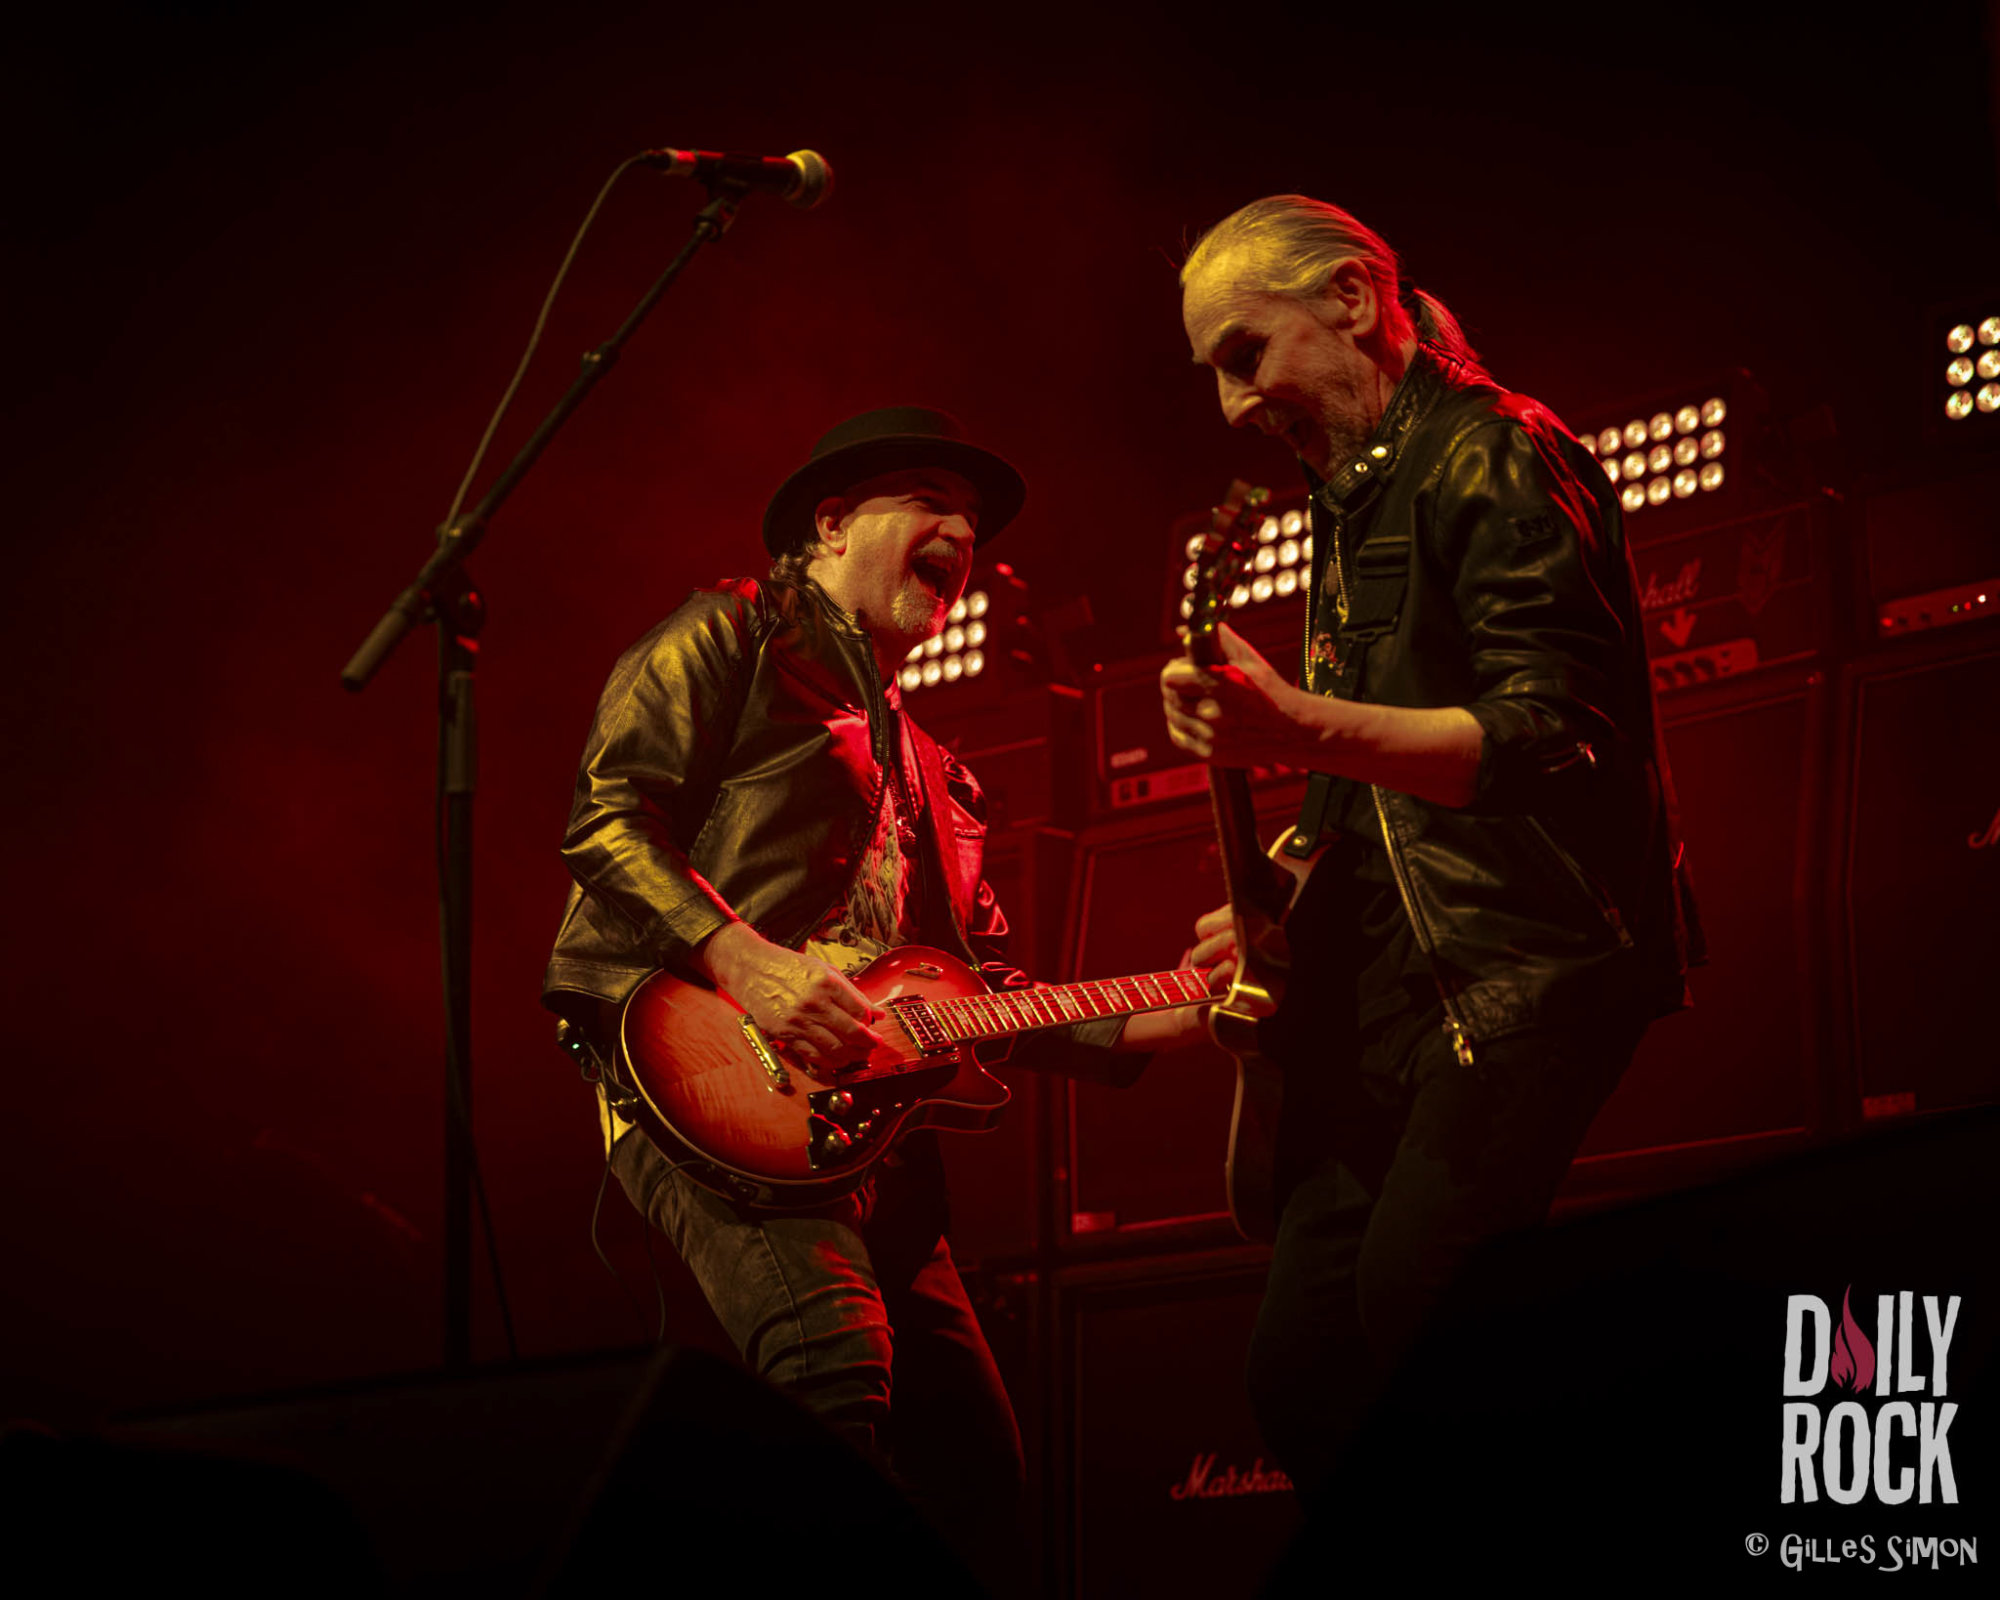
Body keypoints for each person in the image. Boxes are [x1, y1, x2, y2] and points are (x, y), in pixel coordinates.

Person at [540, 405, 1166, 1589]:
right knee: (830, 1367)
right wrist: (747, 963)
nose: (960, 535)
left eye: (971, 523)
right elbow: (607, 820)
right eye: (930, 500)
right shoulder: (729, 634)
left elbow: (994, 993)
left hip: (871, 1129)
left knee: (974, 1464)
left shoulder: (940, 772)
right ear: (830, 524)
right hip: (709, 1074)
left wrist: (1191, 1007)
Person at [1158, 196, 1702, 1506]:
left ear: (1351, 299)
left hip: (1525, 967)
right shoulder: (1349, 489)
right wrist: (1285, 887)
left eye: (1245, 354)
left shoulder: (1495, 452)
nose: (1231, 405)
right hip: (1390, 988)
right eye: (1213, 373)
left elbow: (1550, 736)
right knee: (1301, 1367)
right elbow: (1376, 774)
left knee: (1417, 1306)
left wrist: (1295, 723)